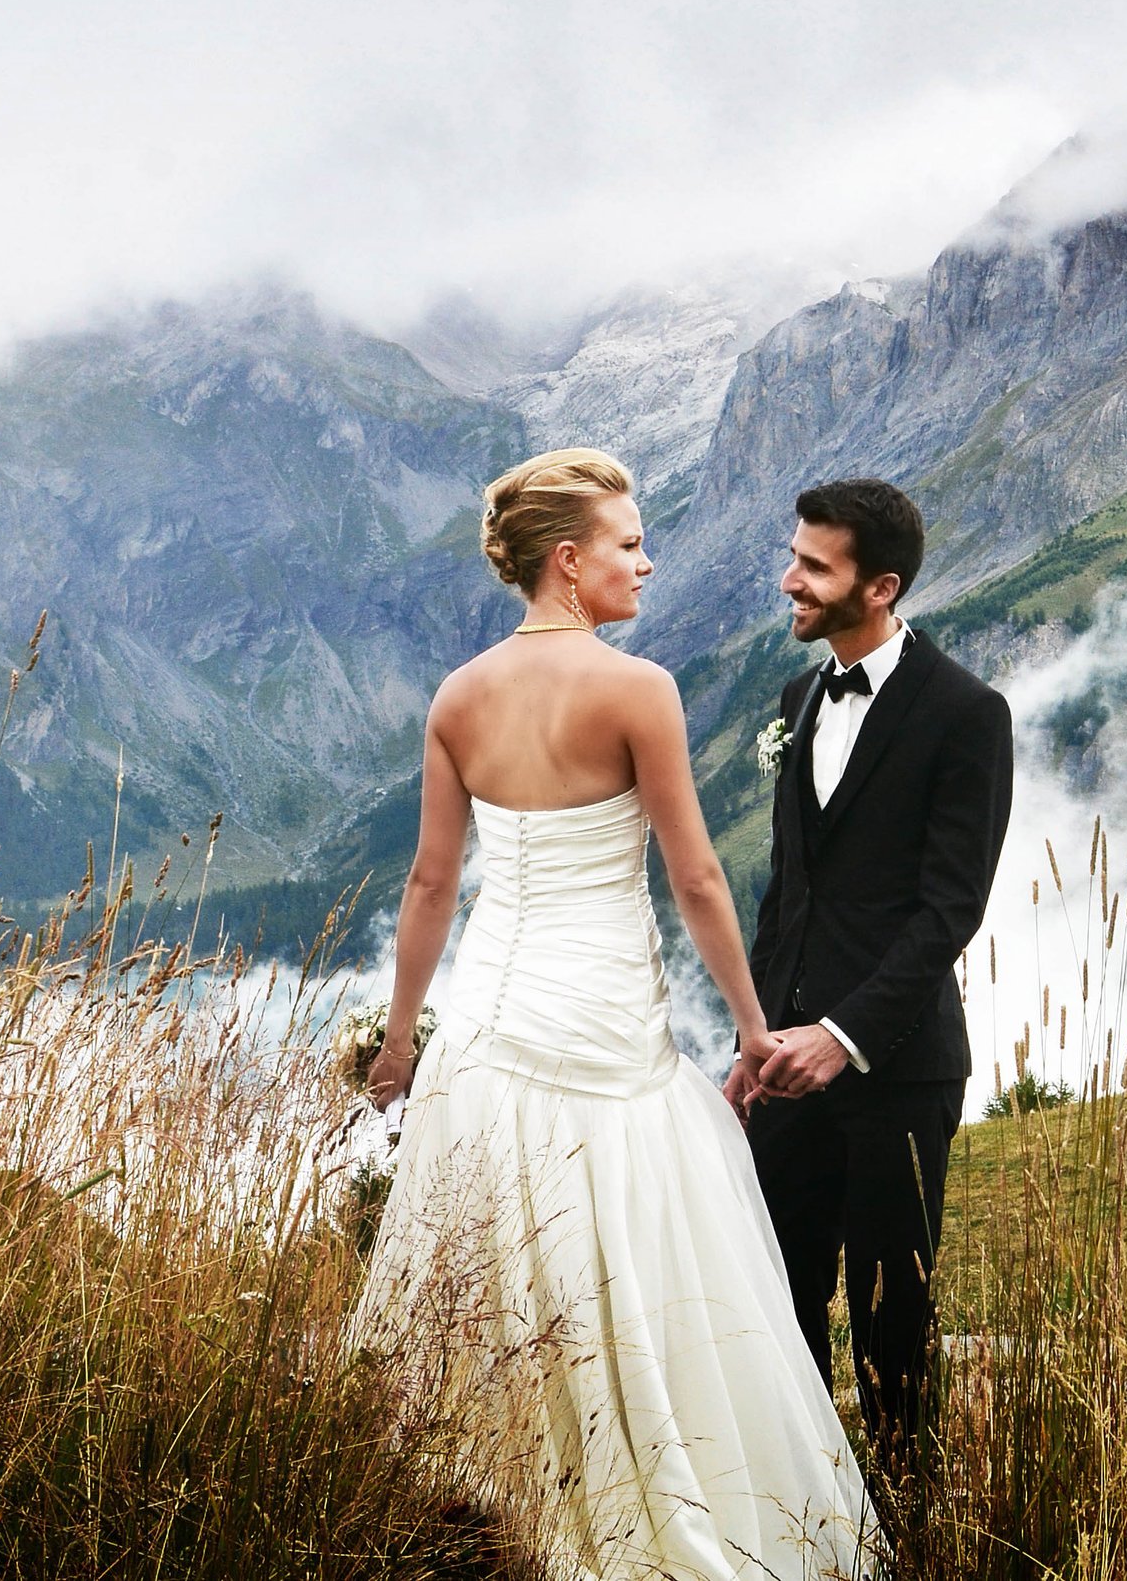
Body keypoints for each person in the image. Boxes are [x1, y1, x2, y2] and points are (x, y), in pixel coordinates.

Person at [356, 448, 876, 1581]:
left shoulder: (460, 695)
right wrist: (750, 1026)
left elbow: (431, 884)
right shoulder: (637, 689)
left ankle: (497, 1511)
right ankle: (646, 1498)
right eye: (631, 543)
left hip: (489, 1022)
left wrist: (402, 1039)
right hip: (603, 1019)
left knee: (497, 1254)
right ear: (568, 559)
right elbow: (695, 879)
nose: (647, 560)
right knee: (635, 1239)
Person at [737, 480, 1015, 1493]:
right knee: (780, 1304)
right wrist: (760, 1034)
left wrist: (841, 1035)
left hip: (895, 1068)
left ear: (880, 585)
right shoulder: (796, 697)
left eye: (814, 565)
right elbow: (788, 892)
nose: (790, 579)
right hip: (783, 1070)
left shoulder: (965, 713)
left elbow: (950, 909)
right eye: (794, 554)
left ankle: (903, 1517)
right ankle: (798, 1515)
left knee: (891, 1326)